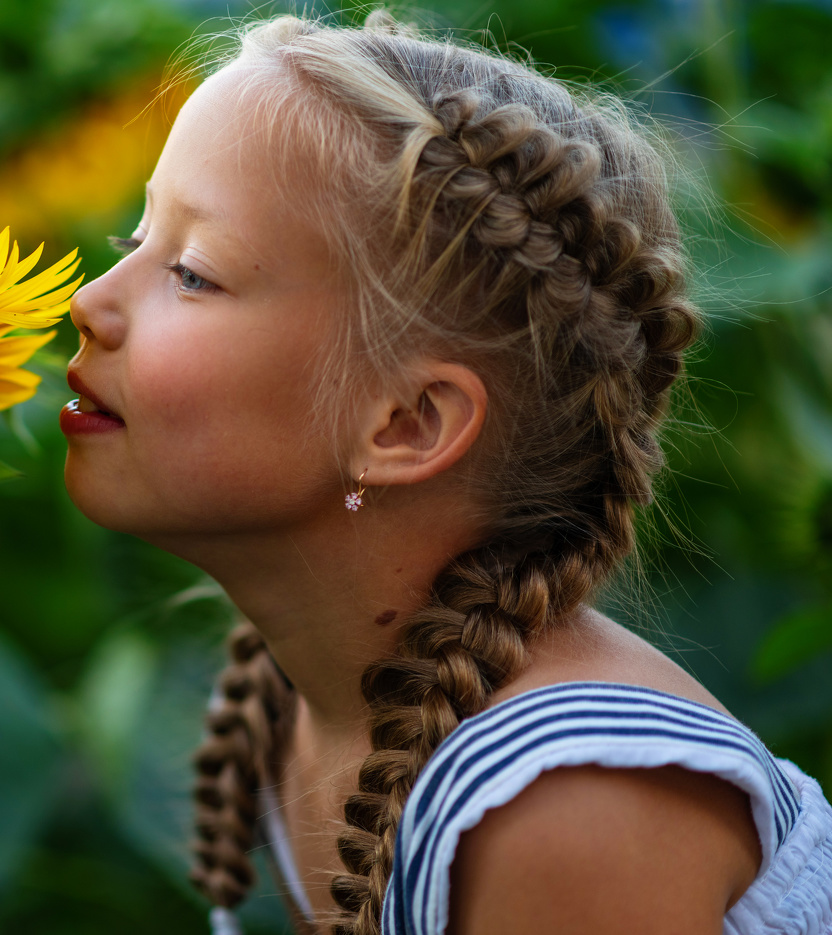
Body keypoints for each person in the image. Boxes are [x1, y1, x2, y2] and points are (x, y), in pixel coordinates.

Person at [57, 10, 832, 935]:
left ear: (407, 424)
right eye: (129, 242)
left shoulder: (568, 805)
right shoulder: (298, 705)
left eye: (190, 272)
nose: (85, 302)